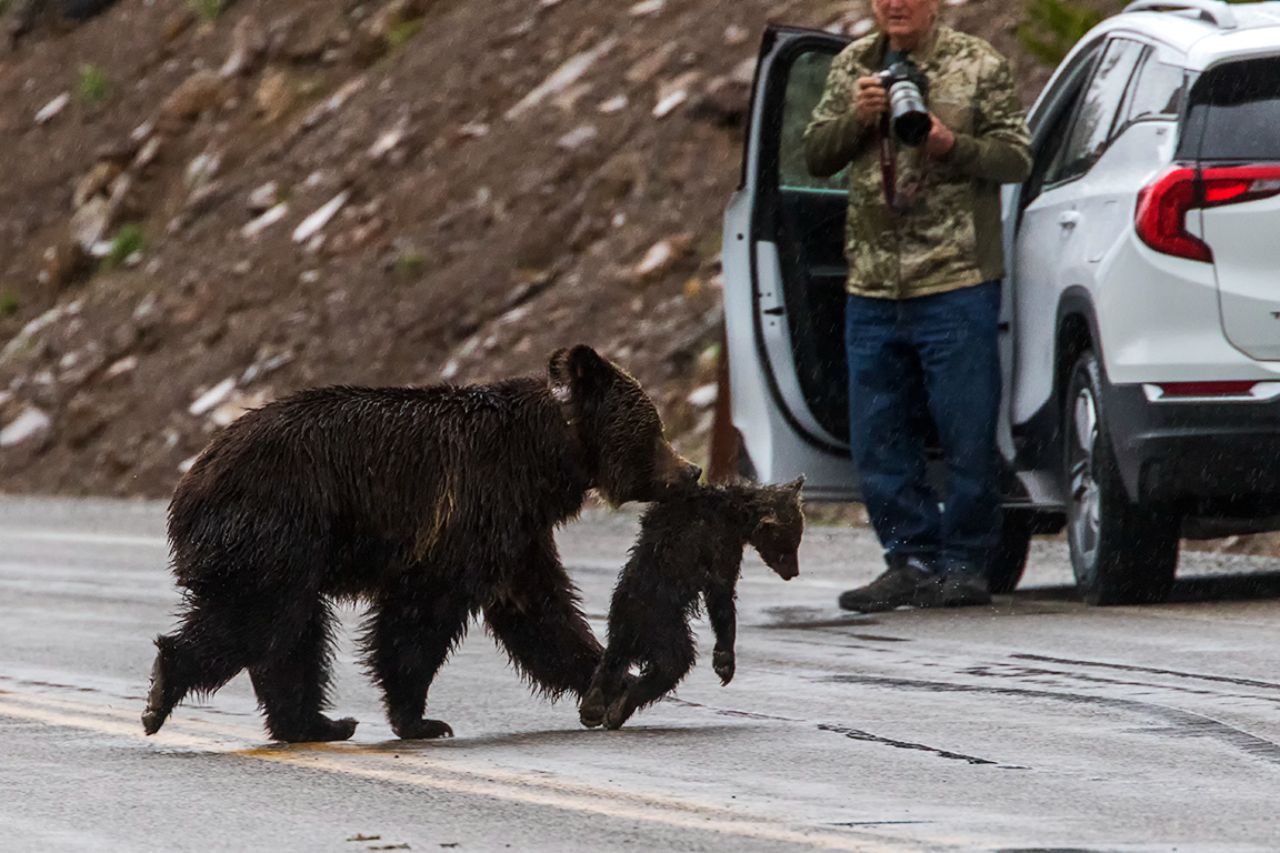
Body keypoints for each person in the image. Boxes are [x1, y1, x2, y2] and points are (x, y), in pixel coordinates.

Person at [803, 0, 1031, 611]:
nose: (895, 4)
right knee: (879, 435)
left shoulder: (977, 64)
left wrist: (950, 143)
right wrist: (857, 118)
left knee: (966, 431)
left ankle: (966, 563)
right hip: (872, 286)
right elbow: (816, 155)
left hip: (956, 279)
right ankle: (908, 559)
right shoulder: (854, 65)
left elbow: (1016, 157)